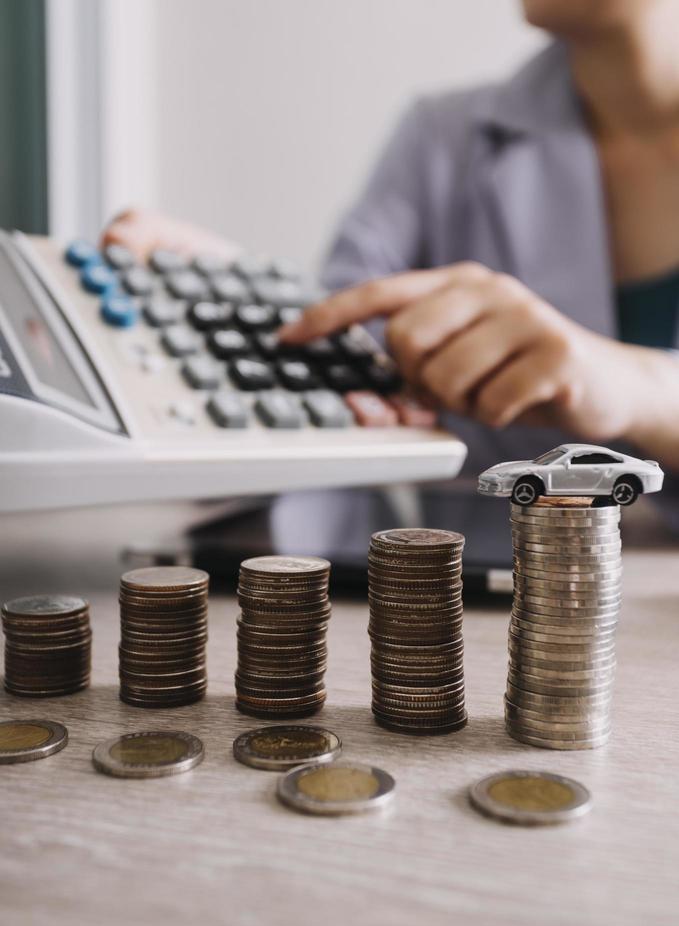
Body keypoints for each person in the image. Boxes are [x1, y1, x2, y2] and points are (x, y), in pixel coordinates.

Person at [104, 0, 679, 555]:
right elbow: (344, 353)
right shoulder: (442, 138)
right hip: (473, 615)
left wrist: (650, 394)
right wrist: (239, 305)